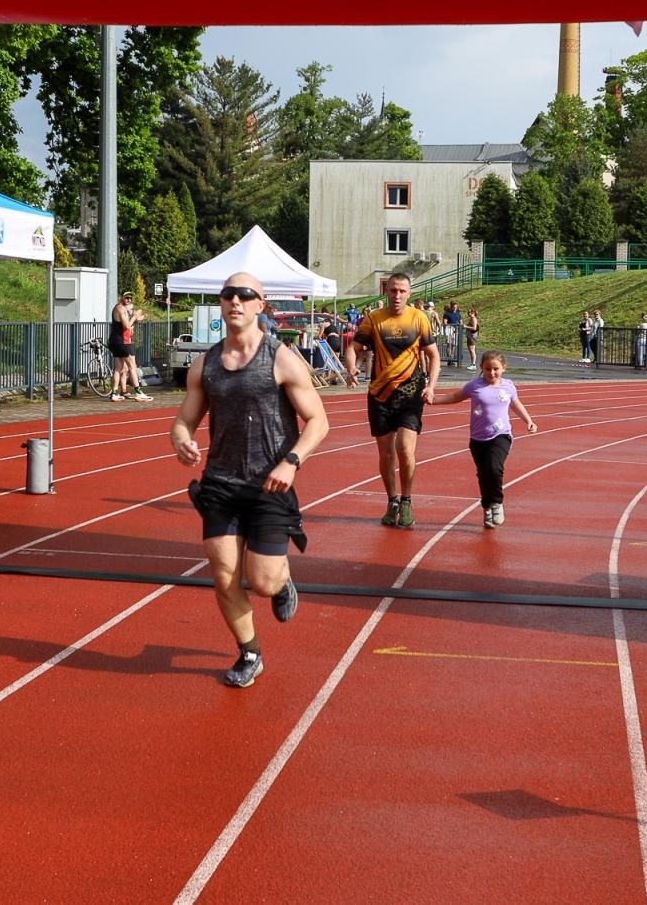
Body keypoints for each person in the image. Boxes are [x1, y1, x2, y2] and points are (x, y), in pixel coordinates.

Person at [169, 272, 330, 688]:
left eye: (245, 295)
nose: (235, 301)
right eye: (228, 295)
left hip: (269, 484)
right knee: (223, 576)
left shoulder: (281, 359)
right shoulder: (205, 365)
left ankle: (281, 581)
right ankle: (250, 652)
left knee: (260, 581)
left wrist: (292, 460)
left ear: (261, 305)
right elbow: (184, 420)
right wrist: (183, 441)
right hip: (220, 484)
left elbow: (318, 421)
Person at [343, 272, 440, 529]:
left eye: (402, 291)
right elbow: (354, 348)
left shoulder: (419, 318)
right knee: (386, 454)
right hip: (379, 395)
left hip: (410, 393)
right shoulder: (374, 319)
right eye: (393, 290)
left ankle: (407, 499)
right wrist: (351, 368)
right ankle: (392, 501)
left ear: (409, 293)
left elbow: (433, 355)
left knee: (405, 450)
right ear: (387, 292)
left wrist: (430, 386)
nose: (397, 295)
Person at [429, 350, 537, 528]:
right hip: (478, 438)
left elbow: (516, 404)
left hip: (501, 435)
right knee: (483, 474)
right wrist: (434, 401)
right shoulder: (474, 386)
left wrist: (529, 421)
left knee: (494, 468)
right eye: (488, 369)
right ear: (481, 368)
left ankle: (496, 503)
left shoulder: (508, 386)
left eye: (496, 369)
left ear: (504, 368)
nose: (492, 373)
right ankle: (487, 506)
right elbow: (456, 397)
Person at [108, 293, 150, 401]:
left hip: (116, 341)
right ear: (121, 297)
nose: (129, 300)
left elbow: (134, 319)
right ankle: (138, 392)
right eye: (126, 297)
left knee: (119, 368)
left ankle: (114, 393)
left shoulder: (124, 309)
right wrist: (135, 316)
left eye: (130, 298)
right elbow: (127, 326)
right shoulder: (120, 309)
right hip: (122, 342)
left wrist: (142, 316)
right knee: (132, 366)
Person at [443, 300, 463, 367]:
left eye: (456, 307)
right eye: (453, 307)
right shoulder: (447, 313)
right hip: (450, 329)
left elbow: (461, 322)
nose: (455, 309)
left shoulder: (458, 314)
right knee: (449, 344)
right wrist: (450, 325)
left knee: (454, 344)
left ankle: (452, 357)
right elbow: (445, 322)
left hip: (456, 329)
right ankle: (449, 359)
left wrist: (460, 326)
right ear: (451, 307)